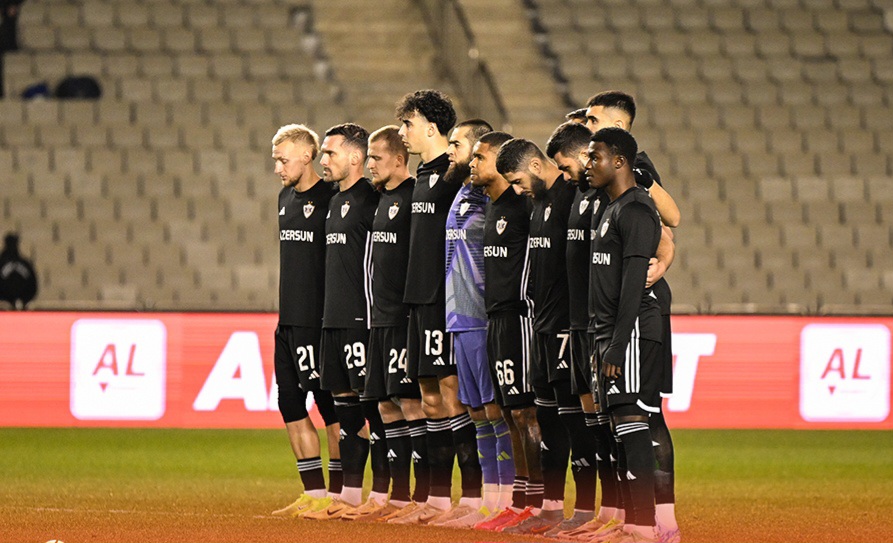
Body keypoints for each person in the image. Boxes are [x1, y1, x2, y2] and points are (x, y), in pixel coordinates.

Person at [585, 91, 681, 542]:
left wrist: (617, 345)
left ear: (620, 161)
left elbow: (633, 285)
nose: (589, 164)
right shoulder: (612, 207)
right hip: (611, 331)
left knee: (633, 420)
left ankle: (644, 525)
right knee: (620, 424)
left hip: (635, 329)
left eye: (596, 157)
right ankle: (632, 522)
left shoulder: (639, 208)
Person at [496, 138, 600, 535]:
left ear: (537, 167)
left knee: (575, 423)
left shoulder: (573, 197)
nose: (517, 189)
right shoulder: (536, 203)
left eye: (518, 180)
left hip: (566, 329)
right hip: (540, 326)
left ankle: (586, 510)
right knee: (547, 420)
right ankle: (551, 509)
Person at [387, 90, 473, 525]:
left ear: (432, 127)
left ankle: (474, 498)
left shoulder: (457, 174)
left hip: (446, 302)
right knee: (429, 399)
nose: (402, 132)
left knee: (454, 395)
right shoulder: (423, 174)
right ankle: (437, 499)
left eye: (408, 123)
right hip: (418, 301)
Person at [438, 118, 517, 528]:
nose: (453, 153)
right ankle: (489, 501)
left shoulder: (496, 200)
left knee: (495, 409)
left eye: (459, 146)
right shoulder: (462, 192)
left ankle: (507, 500)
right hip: (458, 317)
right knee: (476, 411)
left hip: (484, 319)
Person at [343, 125, 423, 522]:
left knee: (411, 404)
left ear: (399, 159)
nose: (370, 164)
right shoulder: (379, 199)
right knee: (384, 405)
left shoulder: (415, 198)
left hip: (403, 319)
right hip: (377, 319)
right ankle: (397, 495)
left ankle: (423, 497)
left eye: (376, 157)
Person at [306, 123, 380, 520]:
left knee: (376, 411)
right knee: (345, 413)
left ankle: (386, 496)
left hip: (360, 320)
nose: (324, 160)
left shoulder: (372, 199)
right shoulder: (335, 201)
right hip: (332, 320)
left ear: (355, 157)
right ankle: (350, 496)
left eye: (330, 153)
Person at [467, 131, 541, 533]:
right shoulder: (492, 206)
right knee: (509, 411)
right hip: (494, 319)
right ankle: (519, 499)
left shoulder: (523, 206)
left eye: (480, 157)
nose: (472, 163)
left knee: (526, 410)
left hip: (520, 318)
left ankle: (538, 502)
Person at [268, 125, 342, 518]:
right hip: (288, 320)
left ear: (307, 155)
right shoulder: (284, 198)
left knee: (331, 409)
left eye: (283, 160)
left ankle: (340, 495)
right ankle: (313, 492)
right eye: (276, 161)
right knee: (290, 405)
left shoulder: (332, 198)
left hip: (317, 321)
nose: (278, 168)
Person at [0, 232, 37, 309]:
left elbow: (33, 285)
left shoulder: (25, 263)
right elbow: (33, 286)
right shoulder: (25, 263)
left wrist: (24, 301)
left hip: (20, 305)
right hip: (4, 306)